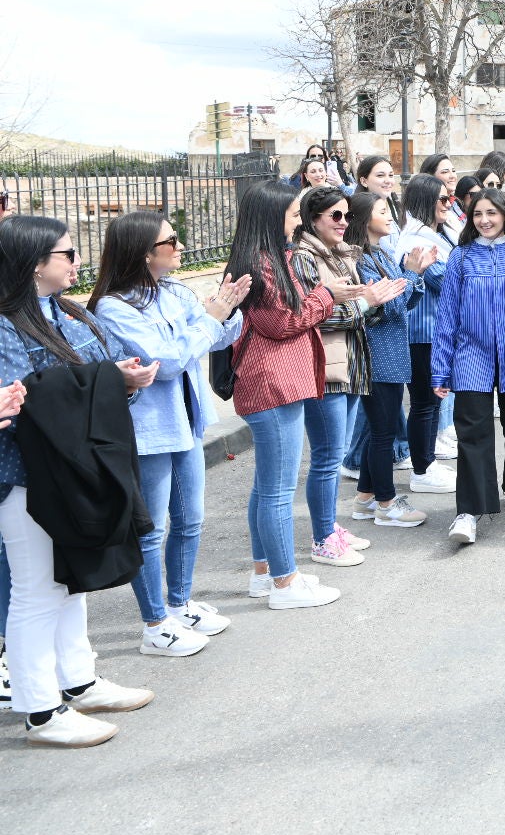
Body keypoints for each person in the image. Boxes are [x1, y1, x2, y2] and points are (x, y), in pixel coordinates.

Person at [0, 217, 156, 747]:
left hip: (73, 469)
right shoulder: (5, 325)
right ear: (33, 262)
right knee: (36, 591)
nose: (77, 262)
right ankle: (41, 710)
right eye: (66, 254)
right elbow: (34, 397)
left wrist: (125, 378)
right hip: (24, 476)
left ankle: (79, 681)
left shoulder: (68, 311)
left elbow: (96, 373)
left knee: (72, 581)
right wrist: (111, 379)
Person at [89, 212, 249, 657]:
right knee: (152, 529)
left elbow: (213, 340)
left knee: (191, 520)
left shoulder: (175, 292)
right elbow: (169, 359)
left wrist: (227, 310)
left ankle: (178, 604)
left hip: (188, 422)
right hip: (150, 430)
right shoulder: (114, 307)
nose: (180, 246)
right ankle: (154, 623)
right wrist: (209, 319)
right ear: (144, 252)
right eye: (171, 241)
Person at [223, 182, 355, 609]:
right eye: (293, 215)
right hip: (272, 383)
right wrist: (325, 296)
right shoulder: (259, 265)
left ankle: (266, 573)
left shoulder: (271, 259)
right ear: (271, 217)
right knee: (278, 490)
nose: (298, 222)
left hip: (280, 381)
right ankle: (284, 582)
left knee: (268, 488)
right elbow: (284, 322)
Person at [291, 187, 407, 567]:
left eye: (346, 215)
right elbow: (314, 318)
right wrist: (367, 302)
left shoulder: (341, 255)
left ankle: (330, 527)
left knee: (333, 454)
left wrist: (373, 302)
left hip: (351, 364)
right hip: (326, 367)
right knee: (327, 458)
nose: (343, 223)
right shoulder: (304, 258)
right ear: (312, 219)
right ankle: (323, 537)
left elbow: (361, 312)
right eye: (334, 216)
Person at [432, 189, 505, 544]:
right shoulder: (461, 257)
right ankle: (468, 511)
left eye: (492, 213)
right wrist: (440, 368)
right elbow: (447, 314)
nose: (485, 220)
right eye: (478, 213)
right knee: (472, 433)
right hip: (471, 356)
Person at [344, 190, 430, 530]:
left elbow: (405, 299)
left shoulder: (377, 252)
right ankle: (387, 504)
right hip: (377, 355)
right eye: (382, 209)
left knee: (379, 432)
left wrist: (411, 276)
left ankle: (365, 498)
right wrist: (409, 274)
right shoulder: (360, 260)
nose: (390, 214)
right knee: (382, 434)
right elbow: (389, 304)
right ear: (365, 218)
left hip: (391, 352)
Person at [393, 175, 459, 492]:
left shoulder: (429, 233)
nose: (449, 204)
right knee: (423, 402)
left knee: (431, 402)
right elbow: (442, 280)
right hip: (422, 331)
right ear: (426, 201)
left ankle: (427, 462)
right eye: (443, 199)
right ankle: (421, 469)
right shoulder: (416, 238)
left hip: (433, 330)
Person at [419, 154, 463, 238]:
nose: (452, 176)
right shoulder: (426, 213)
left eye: (453, 171)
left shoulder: (456, 203)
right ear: (430, 177)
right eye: (445, 172)